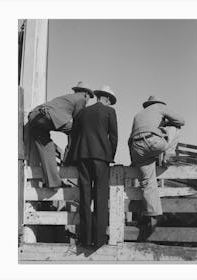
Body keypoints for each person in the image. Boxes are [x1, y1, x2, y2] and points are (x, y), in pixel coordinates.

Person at [68, 85, 118, 249]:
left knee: (85, 197)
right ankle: (98, 239)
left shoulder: (83, 112)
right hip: (101, 158)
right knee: (101, 197)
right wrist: (110, 156)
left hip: (83, 157)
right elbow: (114, 137)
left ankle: (85, 238)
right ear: (108, 99)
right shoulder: (109, 112)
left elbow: (74, 136)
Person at [128, 95, 185, 239]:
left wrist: (134, 161)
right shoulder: (159, 107)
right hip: (153, 143)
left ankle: (153, 217)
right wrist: (166, 123)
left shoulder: (138, 115)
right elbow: (181, 120)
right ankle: (167, 156)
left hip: (136, 148)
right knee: (176, 127)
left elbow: (130, 139)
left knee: (148, 182)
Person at [28, 81, 94, 188]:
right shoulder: (81, 99)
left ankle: (53, 183)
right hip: (47, 116)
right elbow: (78, 123)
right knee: (79, 129)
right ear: (86, 94)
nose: (87, 101)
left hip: (35, 117)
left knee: (47, 148)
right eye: (89, 98)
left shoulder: (67, 98)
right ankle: (70, 160)